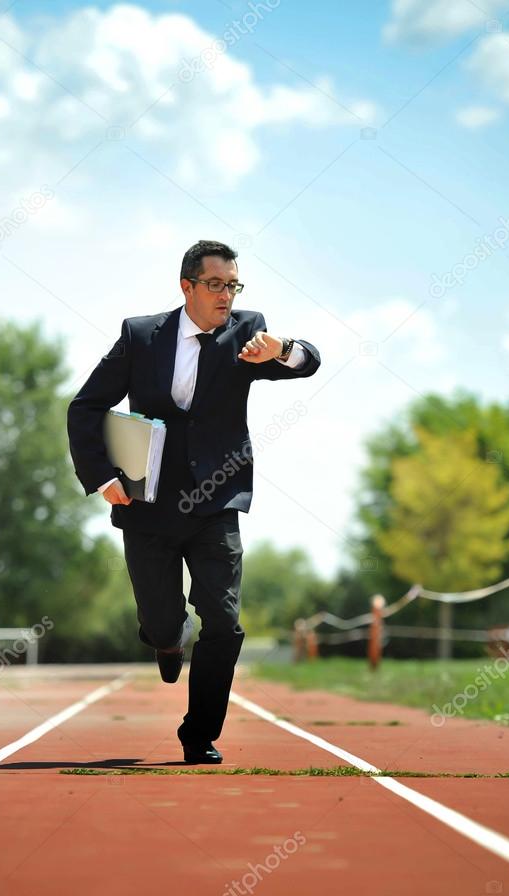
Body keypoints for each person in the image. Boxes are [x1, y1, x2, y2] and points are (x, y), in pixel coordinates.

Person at [67, 240, 320, 764]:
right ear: (187, 287)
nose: (226, 295)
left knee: (224, 622)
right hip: (149, 503)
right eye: (215, 285)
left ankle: (199, 734)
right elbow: (86, 406)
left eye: (233, 285)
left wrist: (283, 349)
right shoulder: (140, 336)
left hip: (217, 502)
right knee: (162, 621)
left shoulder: (248, 332)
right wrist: (101, 477)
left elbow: (308, 363)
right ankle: (167, 637)